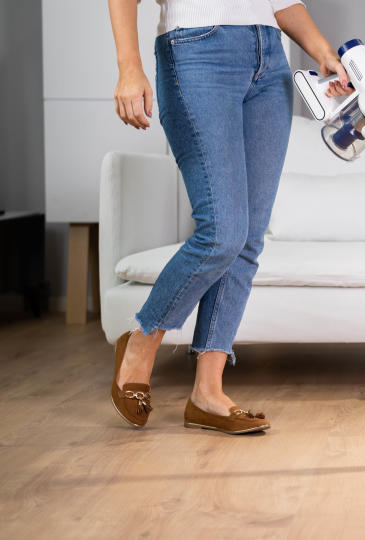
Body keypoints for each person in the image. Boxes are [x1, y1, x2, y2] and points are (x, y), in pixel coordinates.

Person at [106, 0, 351, 434]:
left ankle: (208, 391)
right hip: (196, 50)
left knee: (248, 238)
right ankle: (143, 337)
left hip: (270, 57)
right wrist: (129, 66)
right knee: (222, 231)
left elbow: (280, 1)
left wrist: (322, 51)